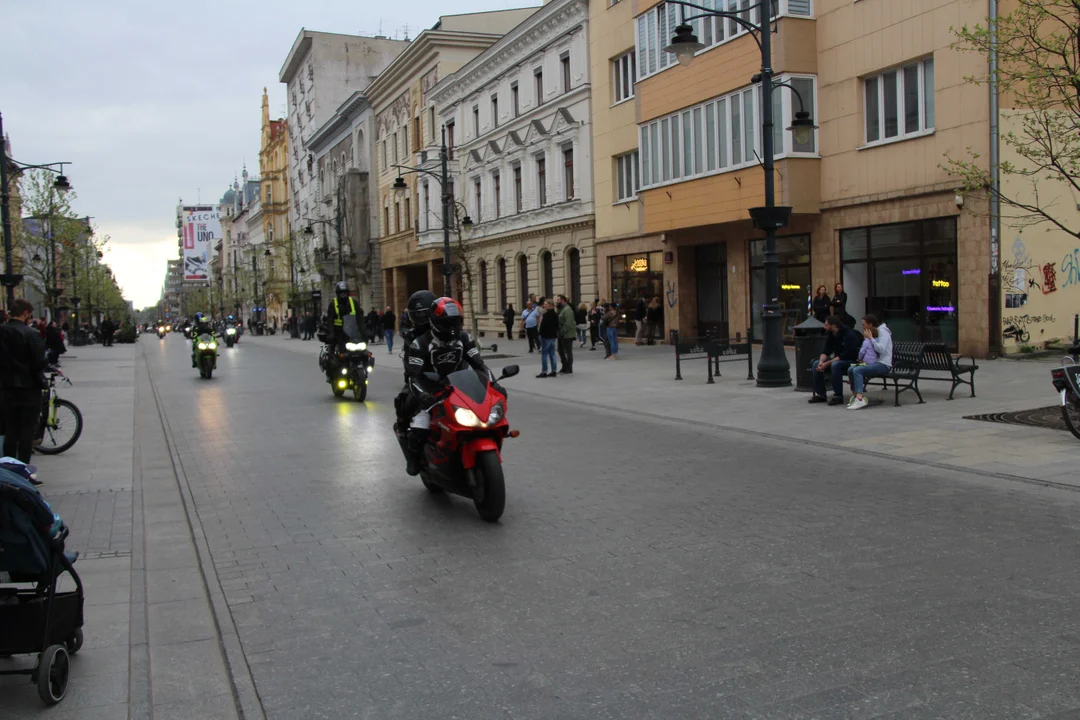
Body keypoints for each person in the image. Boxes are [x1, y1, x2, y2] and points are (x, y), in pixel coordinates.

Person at [399, 295, 492, 475]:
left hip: (460, 387)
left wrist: (493, 385)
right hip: (432, 390)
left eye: (455, 322)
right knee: (420, 424)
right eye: (446, 323)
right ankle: (414, 458)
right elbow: (414, 375)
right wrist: (424, 396)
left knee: (483, 419)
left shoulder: (464, 338)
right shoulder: (420, 343)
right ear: (434, 322)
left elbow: (479, 365)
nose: (451, 328)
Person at [0, 300, 48, 464]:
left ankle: (8, 469)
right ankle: (23, 470)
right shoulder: (31, 334)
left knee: (10, 430)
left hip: (6, 388)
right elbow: (39, 361)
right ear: (26, 313)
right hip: (28, 388)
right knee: (27, 431)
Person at [808, 315, 861, 406]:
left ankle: (838, 396)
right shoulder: (831, 335)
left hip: (851, 361)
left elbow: (845, 355)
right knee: (815, 364)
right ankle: (821, 394)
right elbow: (826, 350)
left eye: (826, 325)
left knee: (835, 365)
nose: (824, 327)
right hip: (838, 359)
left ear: (833, 326)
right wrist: (821, 362)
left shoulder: (849, 335)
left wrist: (827, 363)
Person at [848, 315, 893, 411]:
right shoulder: (875, 332)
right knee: (851, 368)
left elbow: (881, 349)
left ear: (870, 325)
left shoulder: (883, 331)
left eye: (864, 325)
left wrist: (870, 338)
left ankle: (860, 399)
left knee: (857, 370)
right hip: (874, 363)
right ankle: (855, 395)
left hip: (883, 364)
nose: (863, 327)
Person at [325, 282, 366, 378]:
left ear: (348, 293)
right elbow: (330, 320)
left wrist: (365, 332)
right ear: (337, 293)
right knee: (332, 353)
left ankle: (364, 368)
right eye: (341, 292)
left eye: (345, 292)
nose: (343, 294)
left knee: (363, 351)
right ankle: (330, 373)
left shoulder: (354, 303)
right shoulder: (333, 304)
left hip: (351, 333)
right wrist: (331, 333)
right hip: (338, 333)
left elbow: (359, 319)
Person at [537, 298, 559, 378]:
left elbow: (543, 326)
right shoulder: (555, 314)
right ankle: (554, 370)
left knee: (544, 354)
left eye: (545, 304)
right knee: (552, 353)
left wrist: (539, 333)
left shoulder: (546, 315)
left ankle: (544, 371)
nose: (544, 305)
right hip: (553, 336)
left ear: (550, 305)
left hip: (546, 336)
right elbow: (557, 326)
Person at [556, 295, 575, 375]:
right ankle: (564, 366)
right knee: (560, 350)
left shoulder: (567, 309)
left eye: (558, 300)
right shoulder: (561, 309)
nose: (556, 301)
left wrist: (562, 332)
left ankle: (569, 368)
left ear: (563, 300)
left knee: (568, 351)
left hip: (567, 334)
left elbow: (568, 323)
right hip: (561, 334)